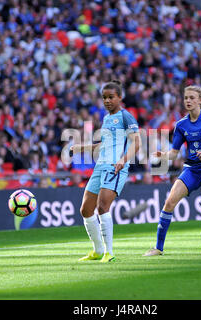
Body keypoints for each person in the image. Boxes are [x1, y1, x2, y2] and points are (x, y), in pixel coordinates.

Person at [144, 85, 201, 257]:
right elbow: (174, 154)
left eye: (191, 98)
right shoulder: (181, 125)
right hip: (192, 167)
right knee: (169, 202)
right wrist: (163, 155)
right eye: (185, 98)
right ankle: (158, 248)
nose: (188, 101)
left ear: (200, 101)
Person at [70, 80, 141, 263]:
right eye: (104, 98)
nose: (107, 101)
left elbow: (137, 143)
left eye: (111, 97)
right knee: (86, 209)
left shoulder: (126, 117)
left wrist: (123, 160)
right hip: (100, 165)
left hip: (115, 166)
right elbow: (106, 144)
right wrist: (83, 147)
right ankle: (98, 250)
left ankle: (109, 252)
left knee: (102, 207)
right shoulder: (107, 118)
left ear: (120, 97)